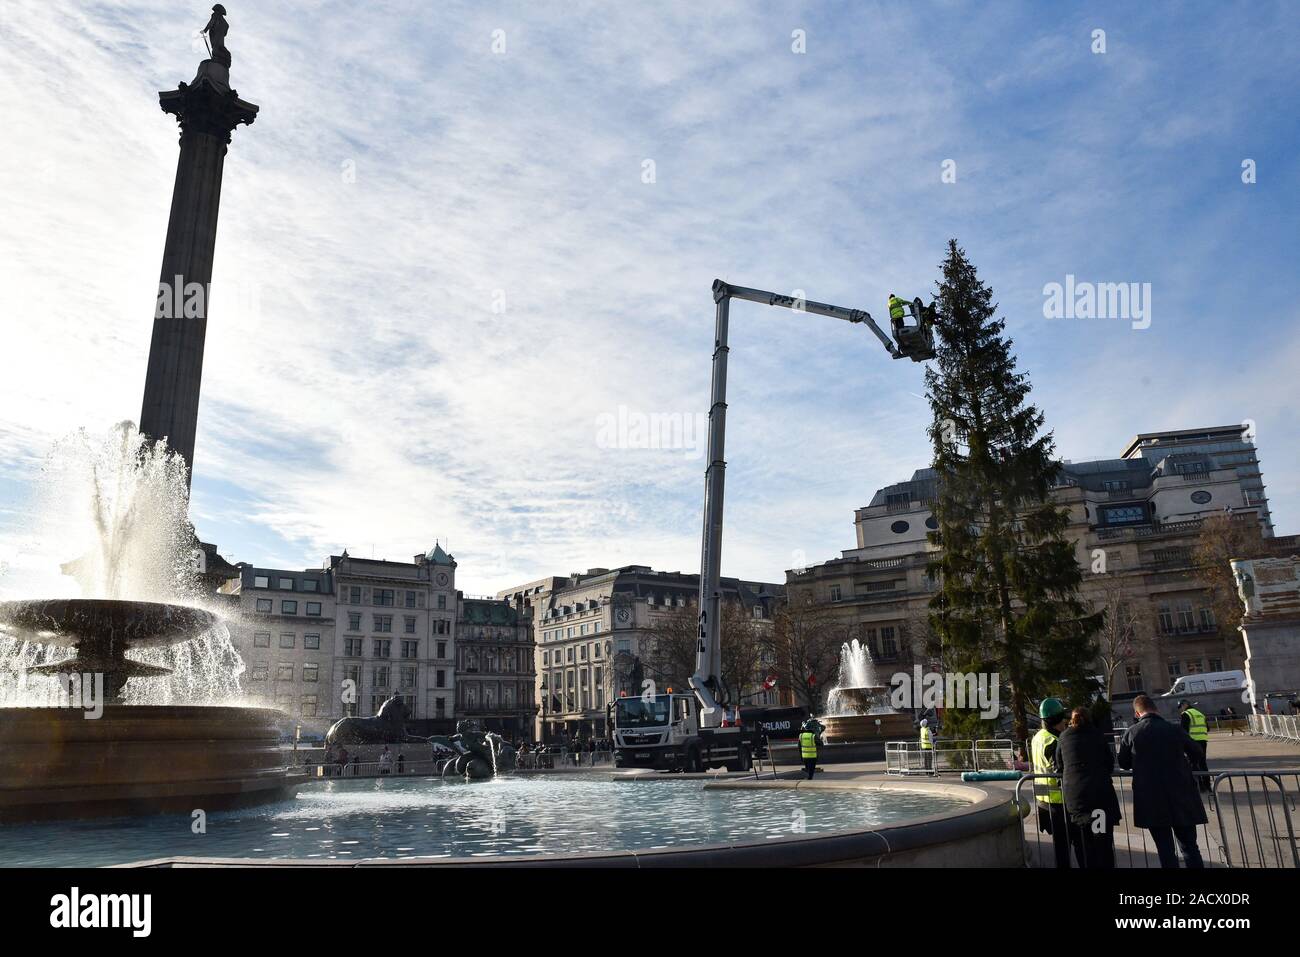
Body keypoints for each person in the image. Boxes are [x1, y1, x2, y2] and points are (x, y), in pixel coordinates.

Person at [1117, 695, 1207, 868]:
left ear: (1137, 713)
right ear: (1156, 709)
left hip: (1151, 798)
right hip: (1181, 795)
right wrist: (1186, 763)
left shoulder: (1132, 732)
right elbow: (1197, 752)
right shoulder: (1174, 729)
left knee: (1165, 850)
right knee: (1190, 847)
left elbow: (1124, 762)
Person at [1055, 706, 1120, 868]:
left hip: (1077, 798)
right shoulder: (1097, 735)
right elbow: (1109, 763)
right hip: (1099, 797)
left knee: (1084, 844)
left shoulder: (1064, 737)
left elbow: (1059, 765)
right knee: (1103, 842)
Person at [1031, 697, 1073, 868]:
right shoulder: (1054, 741)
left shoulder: (1037, 737)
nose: (1065, 721)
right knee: (1064, 846)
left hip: (1042, 796)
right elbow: (1060, 769)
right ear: (1056, 720)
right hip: (1058, 800)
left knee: (1059, 843)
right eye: (1063, 718)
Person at [1178, 699, 1210, 792]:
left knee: (1193, 764)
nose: (1180, 709)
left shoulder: (1186, 714)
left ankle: (1199, 786)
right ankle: (1207, 785)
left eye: (1180, 707)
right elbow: (1207, 728)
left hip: (1192, 742)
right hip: (1203, 741)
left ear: (1185, 705)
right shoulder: (1200, 714)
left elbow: (1183, 731)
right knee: (1203, 763)